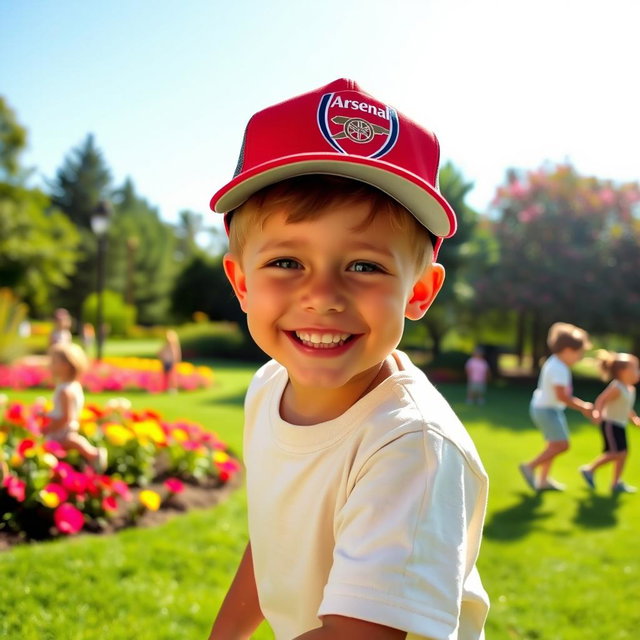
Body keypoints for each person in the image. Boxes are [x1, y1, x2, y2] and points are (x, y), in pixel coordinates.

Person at [208, 79, 489, 640]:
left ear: (419, 292)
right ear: (241, 283)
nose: (323, 295)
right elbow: (274, 542)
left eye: (364, 266)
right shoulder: (269, 385)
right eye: (287, 262)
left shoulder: (410, 446)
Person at [519, 322, 594, 492]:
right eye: (579, 353)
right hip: (546, 410)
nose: (580, 357)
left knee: (553, 445)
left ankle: (544, 480)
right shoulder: (558, 368)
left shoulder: (557, 364)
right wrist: (583, 407)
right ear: (567, 350)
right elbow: (562, 396)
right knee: (562, 445)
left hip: (547, 408)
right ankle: (530, 467)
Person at [579, 351, 640, 493]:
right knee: (615, 453)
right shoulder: (617, 387)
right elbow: (601, 400)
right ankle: (589, 470)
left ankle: (616, 483)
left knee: (623, 454)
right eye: (636, 368)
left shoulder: (629, 389)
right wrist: (598, 414)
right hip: (610, 424)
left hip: (620, 424)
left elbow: (627, 408)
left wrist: (634, 419)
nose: (638, 371)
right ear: (623, 372)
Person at [41, 343, 107, 471]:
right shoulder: (73, 386)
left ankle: (93, 455)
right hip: (66, 428)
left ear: (66, 366)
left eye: (54, 362)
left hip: (61, 430)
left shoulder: (65, 391)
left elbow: (65, 416)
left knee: (49, 450)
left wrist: (48, 428)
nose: (50, 365)